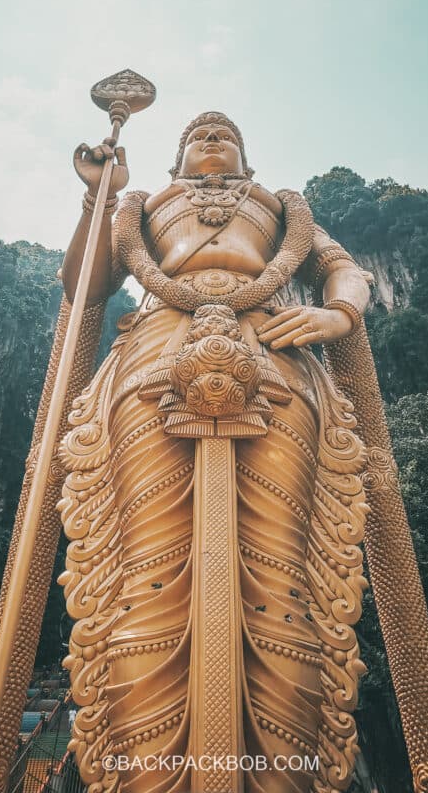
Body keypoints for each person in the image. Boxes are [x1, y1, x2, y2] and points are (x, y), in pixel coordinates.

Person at [58, 114, 371, 792]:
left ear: (247, 160)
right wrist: (97, 198)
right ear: (175, 161)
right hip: (153, 357)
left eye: (225, 134)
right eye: (197, 134)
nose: (211, 138)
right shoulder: (145, 209)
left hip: (275, 353)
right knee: (147, 571)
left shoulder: (280, 209)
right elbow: (84, 284)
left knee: (282, 577)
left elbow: (344, 269)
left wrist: (338, 314)